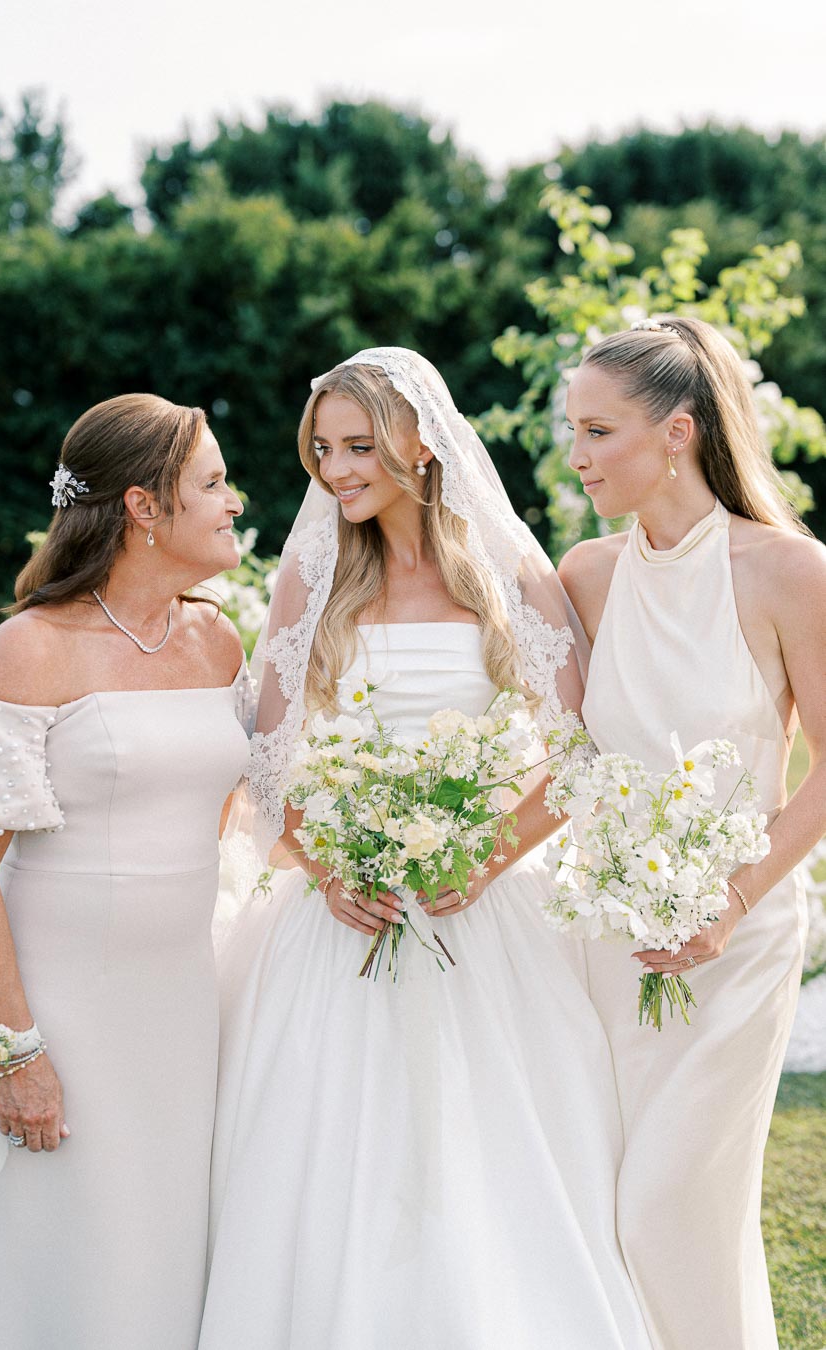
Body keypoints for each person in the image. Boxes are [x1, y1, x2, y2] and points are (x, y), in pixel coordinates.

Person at [200, 348, 651, 1349]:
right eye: (322, 449)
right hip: (337, 915)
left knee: (480, 1153)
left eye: (360, 445)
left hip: (483, 915)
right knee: (332, 1156)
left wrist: (480, 857)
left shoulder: (510, 575)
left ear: (422, 443)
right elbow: (268, 759)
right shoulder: (310, 578)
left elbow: (579, 760)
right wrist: (329, 870)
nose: (337, 469)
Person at [0, 394, 251, 1350]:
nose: (236, 501)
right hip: (67, 1011)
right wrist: (18, 1052)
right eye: (214, 483)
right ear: (144, 509)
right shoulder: (31, 647)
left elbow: (222, 807)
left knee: (175, 1242)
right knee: (75, 1249)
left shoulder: (217, 639)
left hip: (188, 1001)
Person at [559, 317, 825, 1349]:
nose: (576, 457)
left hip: (742, 936)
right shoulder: (583, 575)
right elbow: (554, 754)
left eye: (597, 431)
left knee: (670, 1207)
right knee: (616, 1213)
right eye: (571, 432)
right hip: (608, 944)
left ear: (676, 433)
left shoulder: (788, 571)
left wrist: (731, 901)